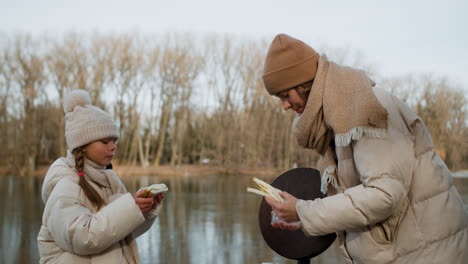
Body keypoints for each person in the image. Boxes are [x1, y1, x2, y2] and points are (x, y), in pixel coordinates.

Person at [262, 34, 468, 263]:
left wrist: (304, 210)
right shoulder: (337, 120)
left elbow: (384, 195)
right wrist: (307, 221)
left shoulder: (363, 108)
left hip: (427, 254)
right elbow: (360, 202)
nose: (284, 106)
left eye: (285, 95)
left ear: (304, 83)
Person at [37, 90, 164, 263]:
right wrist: (130, 208)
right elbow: (83, 237)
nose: (113, 147)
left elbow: (120, 232)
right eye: (105, 142)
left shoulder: (110, 181)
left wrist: (143, 210)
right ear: (82, 145)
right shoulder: (65, 184)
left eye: (114, 141)